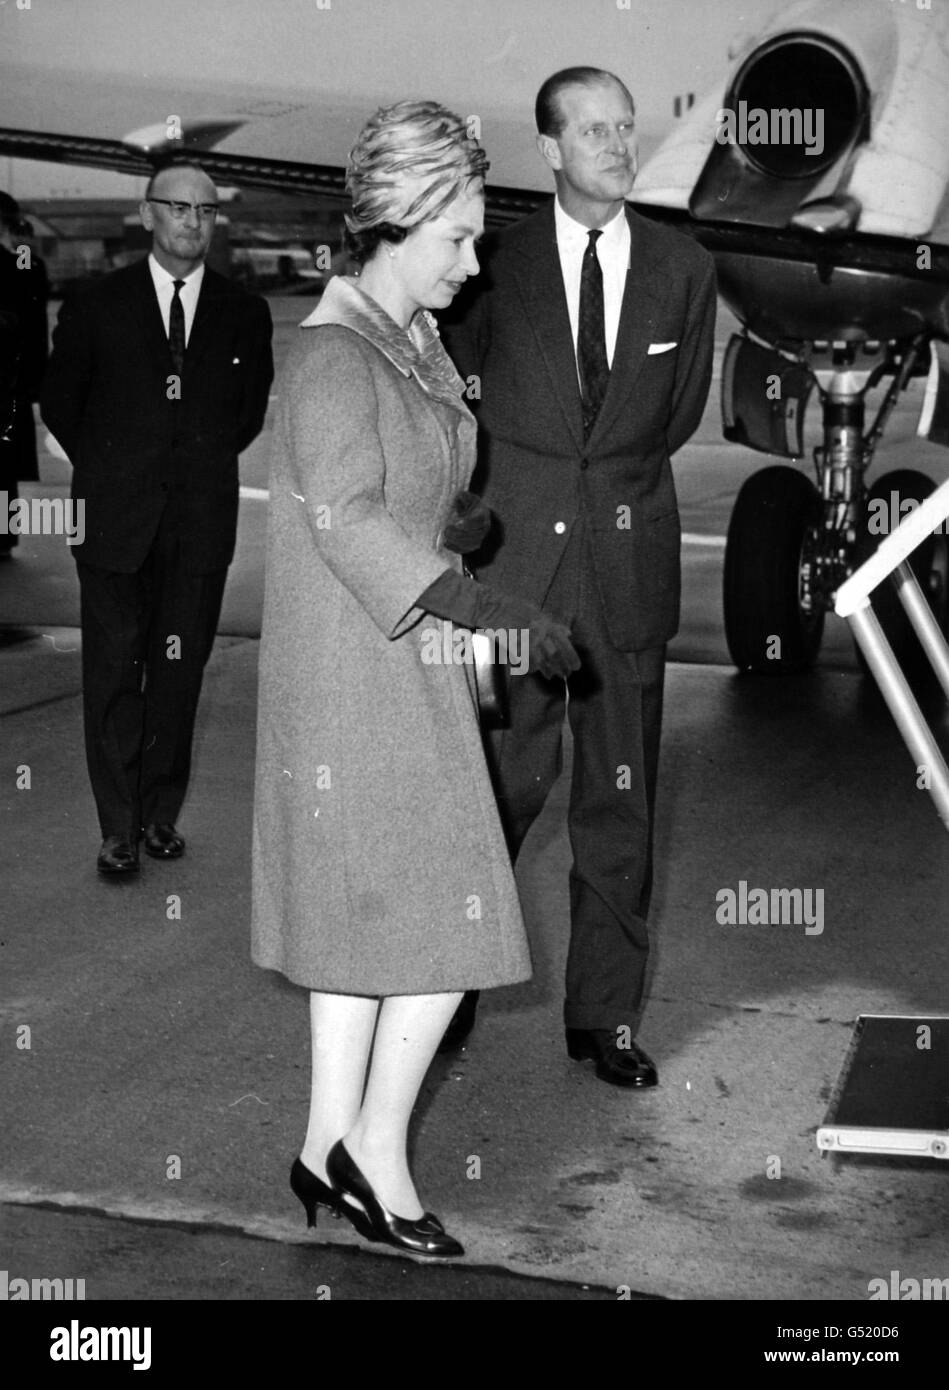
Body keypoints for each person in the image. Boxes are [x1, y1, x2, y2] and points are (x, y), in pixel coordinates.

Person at [251, 100, 577, 1258]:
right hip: (362, 668)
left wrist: (458, 513)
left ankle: (322, 1140)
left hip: (395, 660)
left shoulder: (408, 335)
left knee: (364, 920)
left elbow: (403, 478)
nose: (474, 261)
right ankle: (376, 1153)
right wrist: (484, 603)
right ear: (397, 223)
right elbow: (342, 520)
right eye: (459, 238)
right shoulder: (334, 353)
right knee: (455, 911)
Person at [439, 67, 717, 1087]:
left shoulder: (683, 269)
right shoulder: (492, 267)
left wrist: (610, 485)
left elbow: (673, 414)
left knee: (620, 796)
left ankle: (601, 1015)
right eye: (590, 130)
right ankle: (447, 986)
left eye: (623, 127)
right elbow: (454, 401)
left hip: (625, 569)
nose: (613, 144)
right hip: (517, 571)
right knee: (495, 789)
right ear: (549, 150)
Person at [40, 164, 273, 875]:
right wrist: (120, 472)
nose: (192, 222)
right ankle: (117, 827)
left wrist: (182, 473)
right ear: (147, 215)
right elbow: (62, 404)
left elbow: (245, 416)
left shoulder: (243, 311)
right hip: (113, 524)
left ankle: (159, 815)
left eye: (205, 211)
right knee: (112, 675)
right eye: (177, 208)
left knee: (177, 676)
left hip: (197, 525)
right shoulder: (95, 303)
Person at [0, 191, 49, 557]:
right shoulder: (22, 260)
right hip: (11, 378)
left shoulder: (19, 260)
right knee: (4, 465)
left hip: (8, 374)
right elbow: (34, 313)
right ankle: (3, 537)